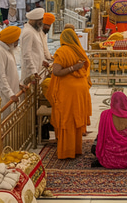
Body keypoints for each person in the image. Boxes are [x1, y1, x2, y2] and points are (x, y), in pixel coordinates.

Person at [46, 29, 92, 160]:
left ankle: (66, 151)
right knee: (75, 119)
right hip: (80, 90)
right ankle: (76, 149)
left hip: (67, 92)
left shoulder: (62, 51)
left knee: (66, 120)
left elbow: (56, 71)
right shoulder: (79, 50)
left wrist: (72, 68)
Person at [93, 91, 127, 169]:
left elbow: (101, 137)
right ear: (126, 102)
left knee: (94, 147)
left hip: (109, 157)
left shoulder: (105, 114)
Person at [0, 26, 21, 119]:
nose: (17, 42)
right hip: (3, 94)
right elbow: (0, 76)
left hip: (9, 92)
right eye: (16, 40)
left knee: (9, 122)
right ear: (11, 40)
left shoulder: (7, 49)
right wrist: (10, 94)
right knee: (3, 121)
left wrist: (18, 85)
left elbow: (10, 72)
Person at [20, 8, 48, 82]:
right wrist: (33, 71)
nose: (42, 22)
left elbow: (36, 51)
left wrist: (43, 61)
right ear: (34, 20)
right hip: (31, 72)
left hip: (37, 67)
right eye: (40, 21)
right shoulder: (28, 32)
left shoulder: (34, 30)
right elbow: (26, 54)